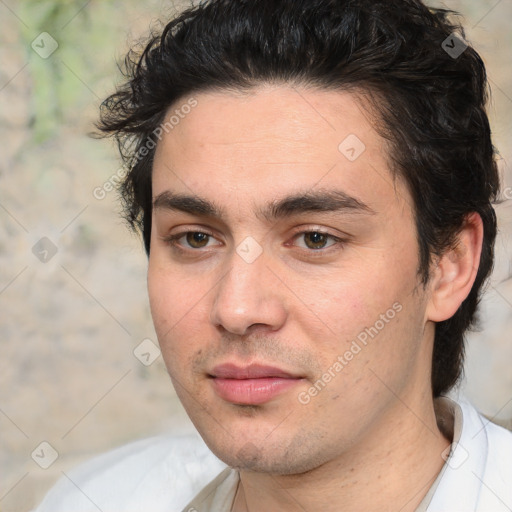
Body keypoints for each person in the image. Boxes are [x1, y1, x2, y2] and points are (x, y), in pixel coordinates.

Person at [34, 0, 512, 511]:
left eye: (315, 239)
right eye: (196, 238)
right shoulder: (96, 499)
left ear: (449, 265)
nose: (237, 310)